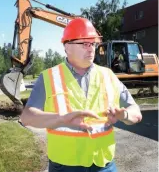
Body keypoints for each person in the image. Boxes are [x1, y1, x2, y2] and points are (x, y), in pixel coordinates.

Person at [20, 18, 142, 172]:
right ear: (67, 46)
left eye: (93, 43)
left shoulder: (108, 75)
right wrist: (62, 119)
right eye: (84, 43)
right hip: (65, 166)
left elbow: (136, 112)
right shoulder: (48, 77)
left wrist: (124, 115)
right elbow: (27, 118)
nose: (91, 49)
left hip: (104, 164)